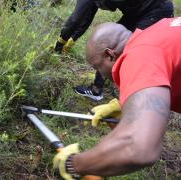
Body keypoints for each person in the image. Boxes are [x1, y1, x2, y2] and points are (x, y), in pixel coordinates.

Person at [53, 17, 181, 179]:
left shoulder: (139, 56)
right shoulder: (158, 30)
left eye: (97, 67)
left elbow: (138, 147)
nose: (101, 75)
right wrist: (126, 104)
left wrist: (75, 164)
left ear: (109, 55)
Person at [52, 0, 174, 101]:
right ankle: (96, 90)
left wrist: (61, 43)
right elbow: (84, 16)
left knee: (133, 49)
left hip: (156, 10)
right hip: (136, 10)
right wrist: (65, 40)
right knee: (115, 45)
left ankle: (134, 98)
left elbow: (80, 17)